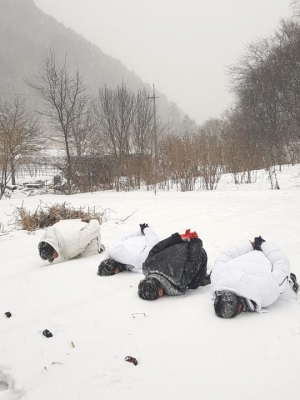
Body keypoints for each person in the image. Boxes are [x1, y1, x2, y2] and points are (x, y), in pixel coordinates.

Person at [211, 236, 298, 318]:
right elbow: (225, 255)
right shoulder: (216, 279)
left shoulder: (266, 294)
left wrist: (264, 246)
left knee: (284, 285)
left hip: (264, 257)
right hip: (257, 255)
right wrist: (258, 245)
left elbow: (281, 263)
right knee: (285, 289)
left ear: (240, 308)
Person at [138, 229, 209, 301]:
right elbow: (157, 248)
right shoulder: (147, 267)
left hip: (196, 252)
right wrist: (177, 238)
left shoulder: (179, 282)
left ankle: (204, 279)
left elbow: (194, 262)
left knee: (194, 284)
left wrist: (195, 243)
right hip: (178, 246)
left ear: (160, 291)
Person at [38, 218, 102, 263]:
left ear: (53, 247)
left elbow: (95, 227)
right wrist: (80, 221)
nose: (52, 258)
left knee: (85, 259)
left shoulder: (77, 241)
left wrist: (91, 221)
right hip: (78, 237)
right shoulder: (53, 233)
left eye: (51, 256)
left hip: (91, 238)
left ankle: (100, 248)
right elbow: (66, 222)